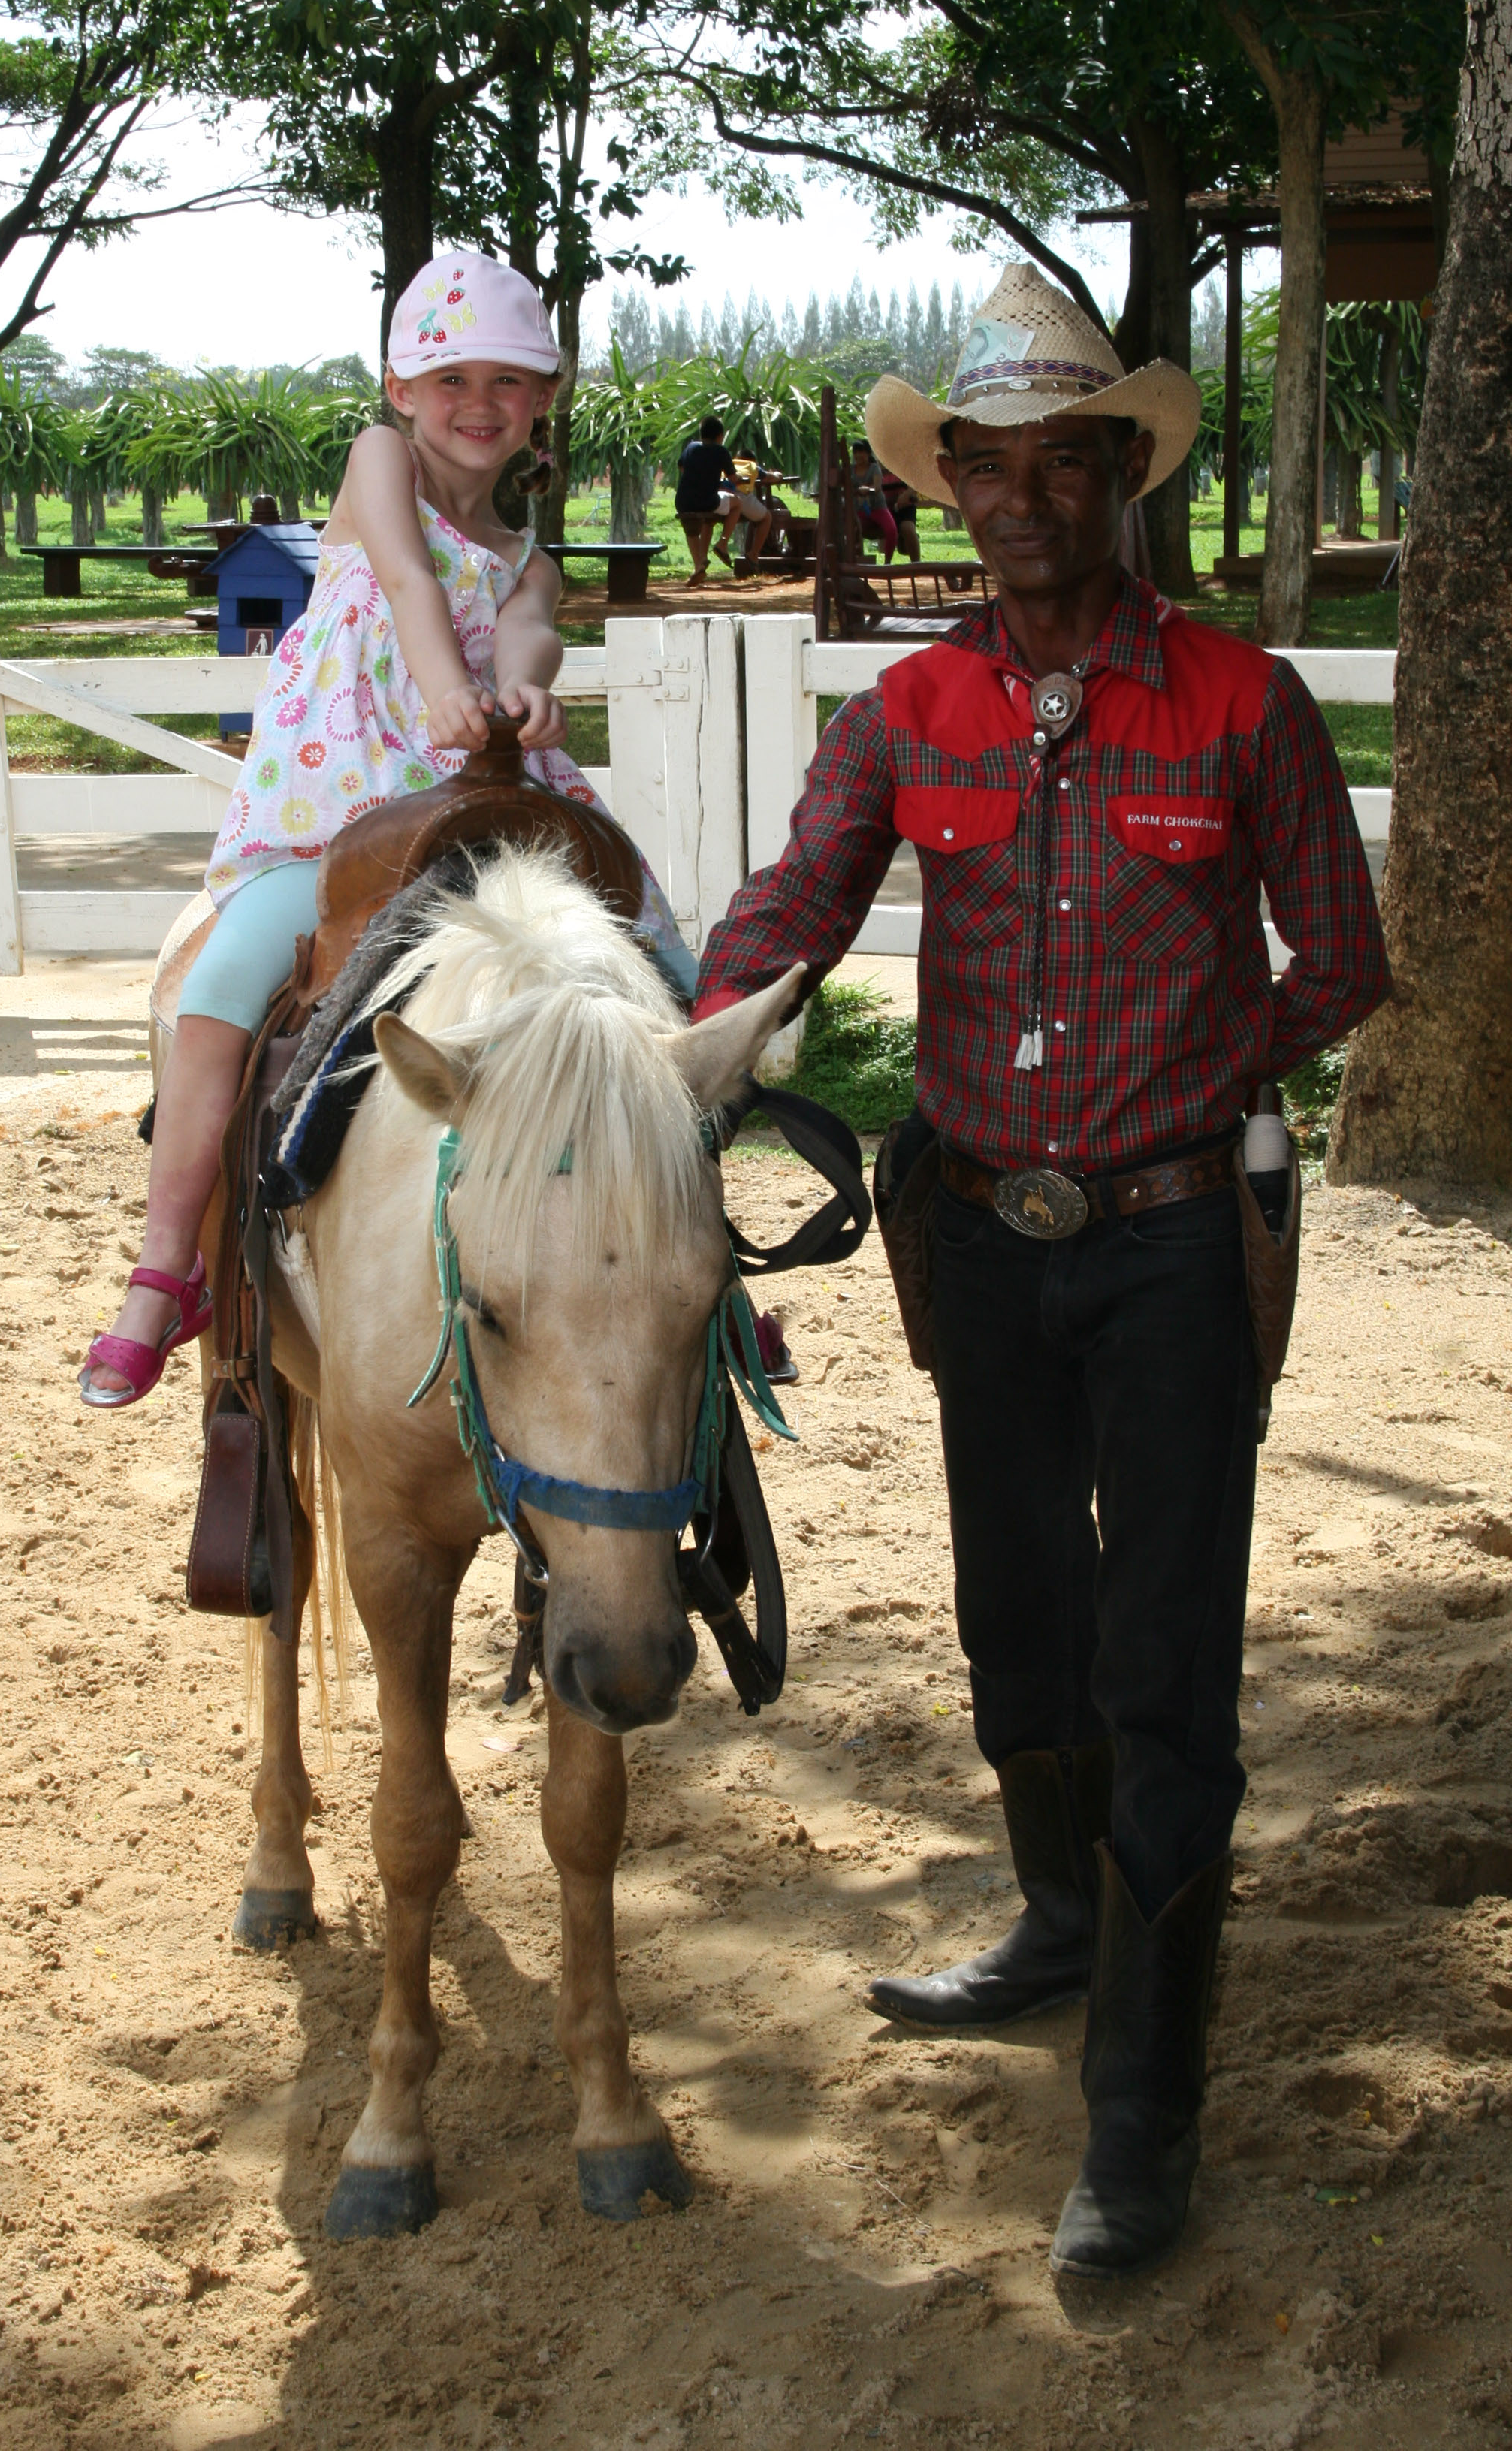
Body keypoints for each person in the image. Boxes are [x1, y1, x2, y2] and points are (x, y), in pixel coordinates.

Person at [692, 262, 1388, 2280]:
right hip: (977, 1236)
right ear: (951, 488)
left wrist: (1210, 1072)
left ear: (1120, 474)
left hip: (1173, 1243)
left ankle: (1142, 2105)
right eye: (981, 468)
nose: (1016, 500)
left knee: (1162, 1659)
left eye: (1057, 463)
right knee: (1017, 1617)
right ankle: (1064, 1923)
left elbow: (1339, 960)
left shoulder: (1242, 701)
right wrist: (689, 1044)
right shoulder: (906, 713)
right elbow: (794, 906)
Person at [81, 251, 693, 1408]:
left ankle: (697, 1258)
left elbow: (532, 634)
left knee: (663, 982)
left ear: (542, 402)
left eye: (508, 381)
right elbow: (408, 583)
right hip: (340, 805)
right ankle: (167, 1266)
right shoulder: (380, 463)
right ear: (401, 390)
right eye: (451, 377)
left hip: (477, 797)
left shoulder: (528, 558)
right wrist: (445, 689)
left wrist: (523, 692)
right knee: (224, 987)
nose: (479, 402)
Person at [673, 416, 771, 584]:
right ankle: (723, 543)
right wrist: (740, 478)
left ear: (701, 434)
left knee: (691, 530)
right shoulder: (721, 451)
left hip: (682, 501)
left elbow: (681, 467)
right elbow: (733, 479)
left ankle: (698, 566)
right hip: (708, 501)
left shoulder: (691, 447)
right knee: (736, 503)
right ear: (720, 436)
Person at [850, 439, 898, 560]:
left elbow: (877, 486)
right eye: (855, 452)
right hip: (858, 510)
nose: (858, 455)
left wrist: (867, 489)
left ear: (868, 453)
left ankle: (887, 562)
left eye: (861, 452)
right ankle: (855, 559)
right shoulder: (850, 470)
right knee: (851, 530)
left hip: (877, 508)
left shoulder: (874, 468)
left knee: (891, 530)